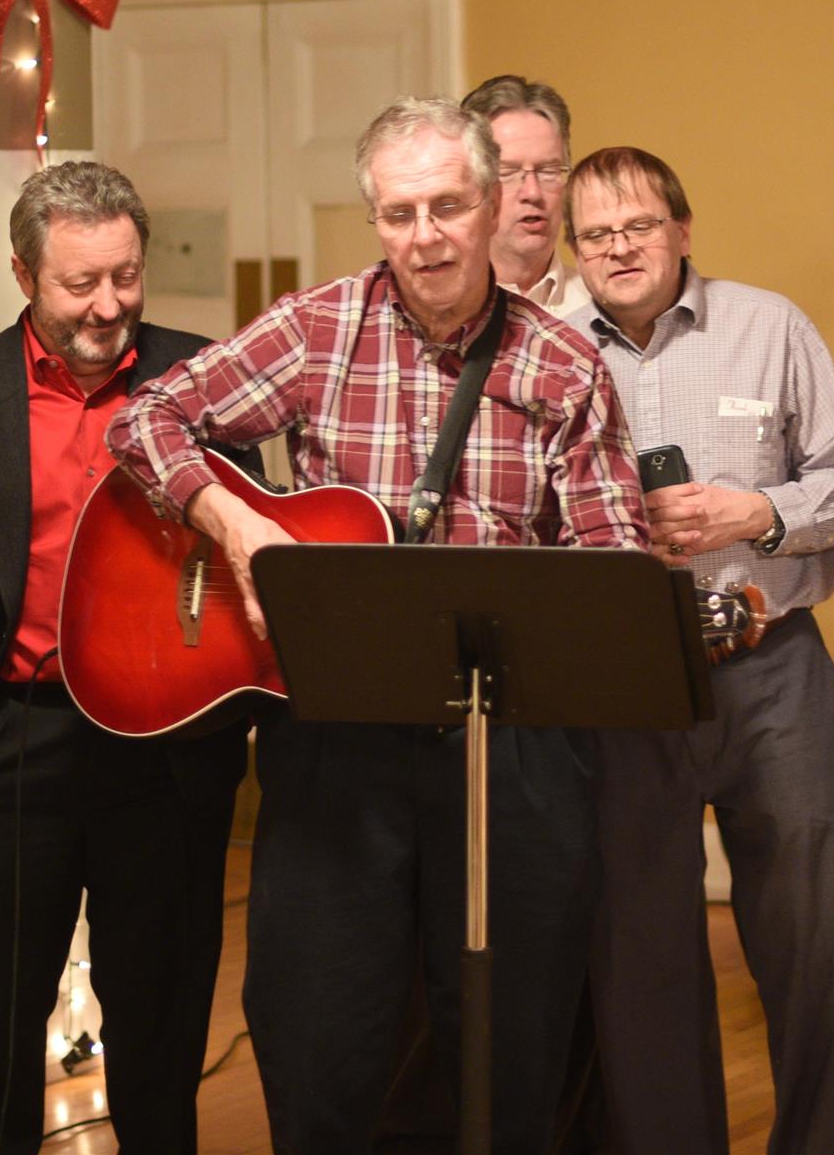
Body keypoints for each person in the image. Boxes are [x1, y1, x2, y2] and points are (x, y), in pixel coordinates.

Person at [107, 96, 646, 1153]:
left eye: (447, 206)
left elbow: (614, 561)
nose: (426, 236)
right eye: (399, 214)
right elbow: (147, 418)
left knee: (508, 1047)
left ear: (491, 203)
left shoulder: (562, 364)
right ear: (375, 221)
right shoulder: (317, 329)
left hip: (506, 749)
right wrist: (234, 521)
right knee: (316, 1035)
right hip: (335, 740)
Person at [0, 162, 254, 1153]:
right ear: (23, 273)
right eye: (80, 283)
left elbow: (251, 563)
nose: (109, 306)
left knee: (161, 1035)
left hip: (165, 752)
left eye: (126, 276)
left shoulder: (203, 380)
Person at [568, 147, 834, 1153]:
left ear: (682, 230)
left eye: (639, 226)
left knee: (810, 945)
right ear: (575, 250)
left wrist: (759, 512)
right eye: (596, 234)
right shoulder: (547, 350)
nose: (620, 248)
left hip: (772, 670)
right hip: (627, 685)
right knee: (644, 956)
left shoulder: (769, 327)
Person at [463, 73, 591, 319]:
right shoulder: (438, 310)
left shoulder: (601, 312)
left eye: (548, 171)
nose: (532, 193)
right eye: (508, 172)